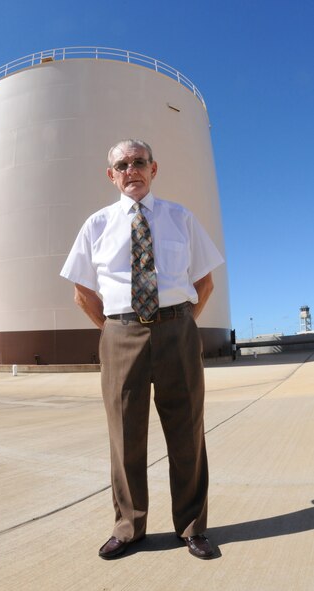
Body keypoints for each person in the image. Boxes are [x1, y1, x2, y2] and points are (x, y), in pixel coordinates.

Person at [60, 139, 224, 560]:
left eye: (139, 162)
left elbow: (204, 282)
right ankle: (129, 527)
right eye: (122, 164)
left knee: (187, 432)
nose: (131, 169)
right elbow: (82, 292)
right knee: (124, 437)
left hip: (177, 331)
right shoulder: (96, 225)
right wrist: (117, 329)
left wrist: (180, 322)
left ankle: (192, 527)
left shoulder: (181, 218)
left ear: (154, 169)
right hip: (121, 334)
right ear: (111, 174)